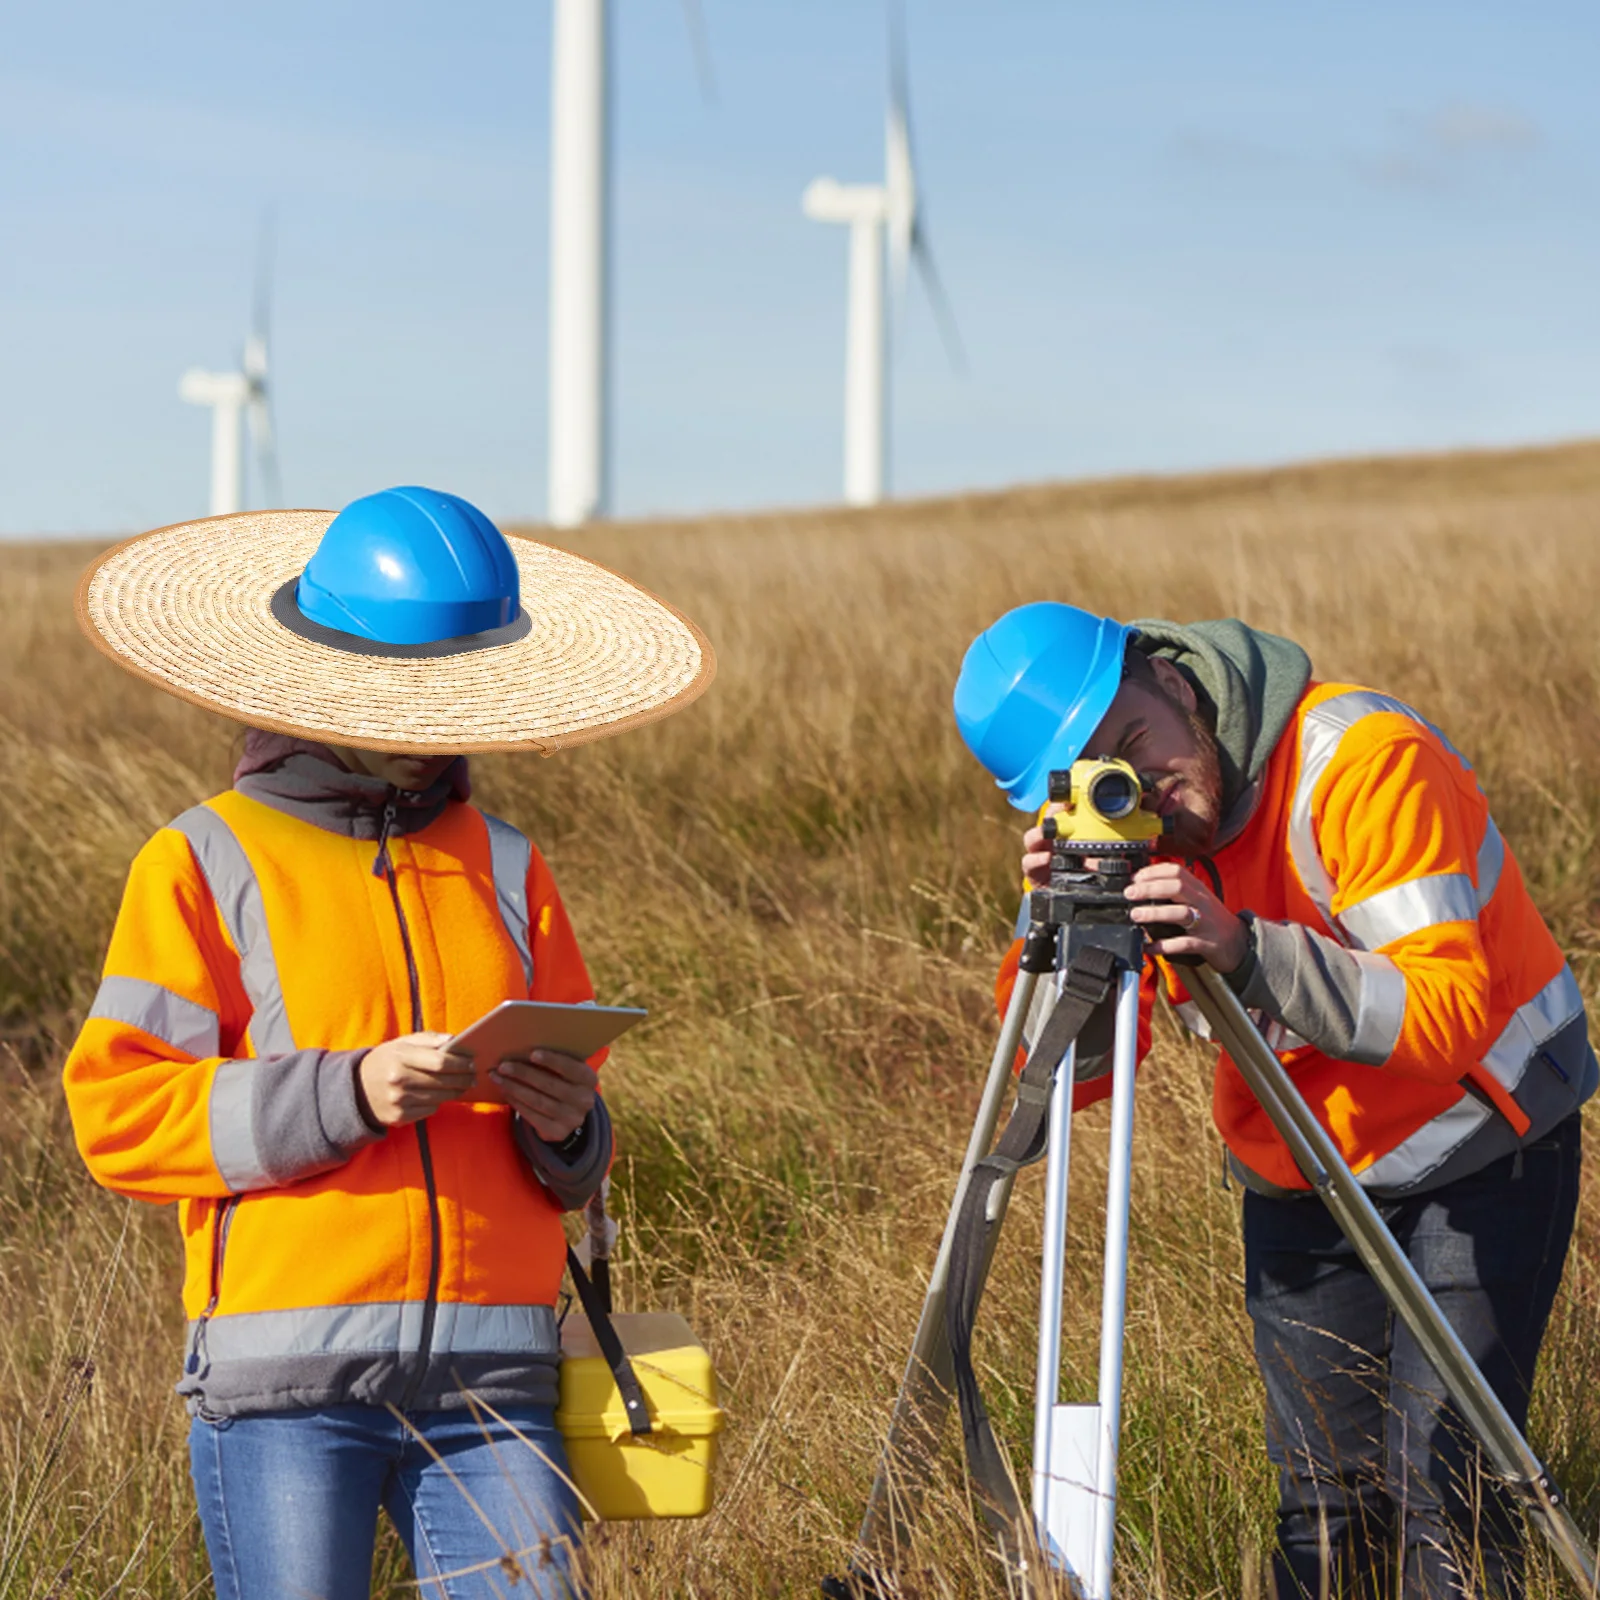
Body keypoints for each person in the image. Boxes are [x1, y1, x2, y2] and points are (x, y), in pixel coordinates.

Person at [63, 486, 715, 1600]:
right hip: (283, 1393)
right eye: (409, 696)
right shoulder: (200, 860)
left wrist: (569, 1128)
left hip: (497, 1389)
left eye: (457, 691)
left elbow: (575, 1142)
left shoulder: (510, 862)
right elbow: (118, 1115)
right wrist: (348, 1091)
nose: (435, 726)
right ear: (322, 685)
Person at [953, 604, 1595, 1600]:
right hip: (1302, 1172)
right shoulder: (1135, 830)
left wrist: (1243, 947)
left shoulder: (1360, 760)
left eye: (1133, 744)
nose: (1145, 788)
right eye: (1094, 776)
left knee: (1447, 1497)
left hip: (1478, 1142)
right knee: (1324, 1508)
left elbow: (1449, 1014)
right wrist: (1060, 927)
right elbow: (1077, 1082)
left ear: (1169, 679)